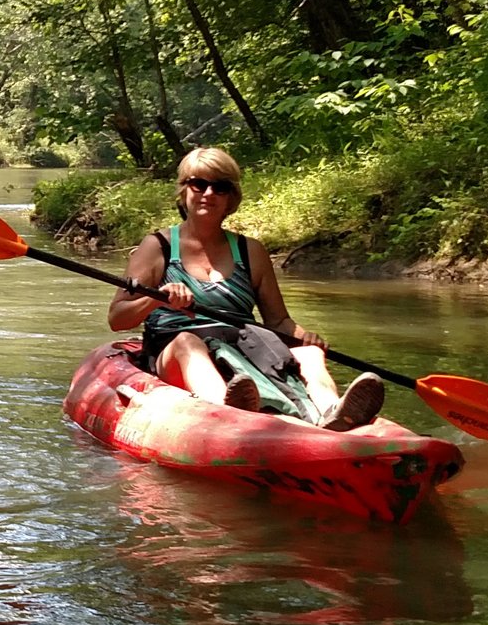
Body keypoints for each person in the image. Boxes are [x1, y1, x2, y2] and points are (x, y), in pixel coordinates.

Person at [105, 146, 383, 429]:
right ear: (184, 191)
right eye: (199, 184)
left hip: (242, 347)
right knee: (189, 343)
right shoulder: (158, 247)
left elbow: (278, 321)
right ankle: (228, 411)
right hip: (173, 350)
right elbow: (117, 319)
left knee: (310, 354)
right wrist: (157, 300)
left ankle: (334, 413)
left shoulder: (251, 251)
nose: (208, 193)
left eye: (220, 187)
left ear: (231, 198)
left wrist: (305, 337)